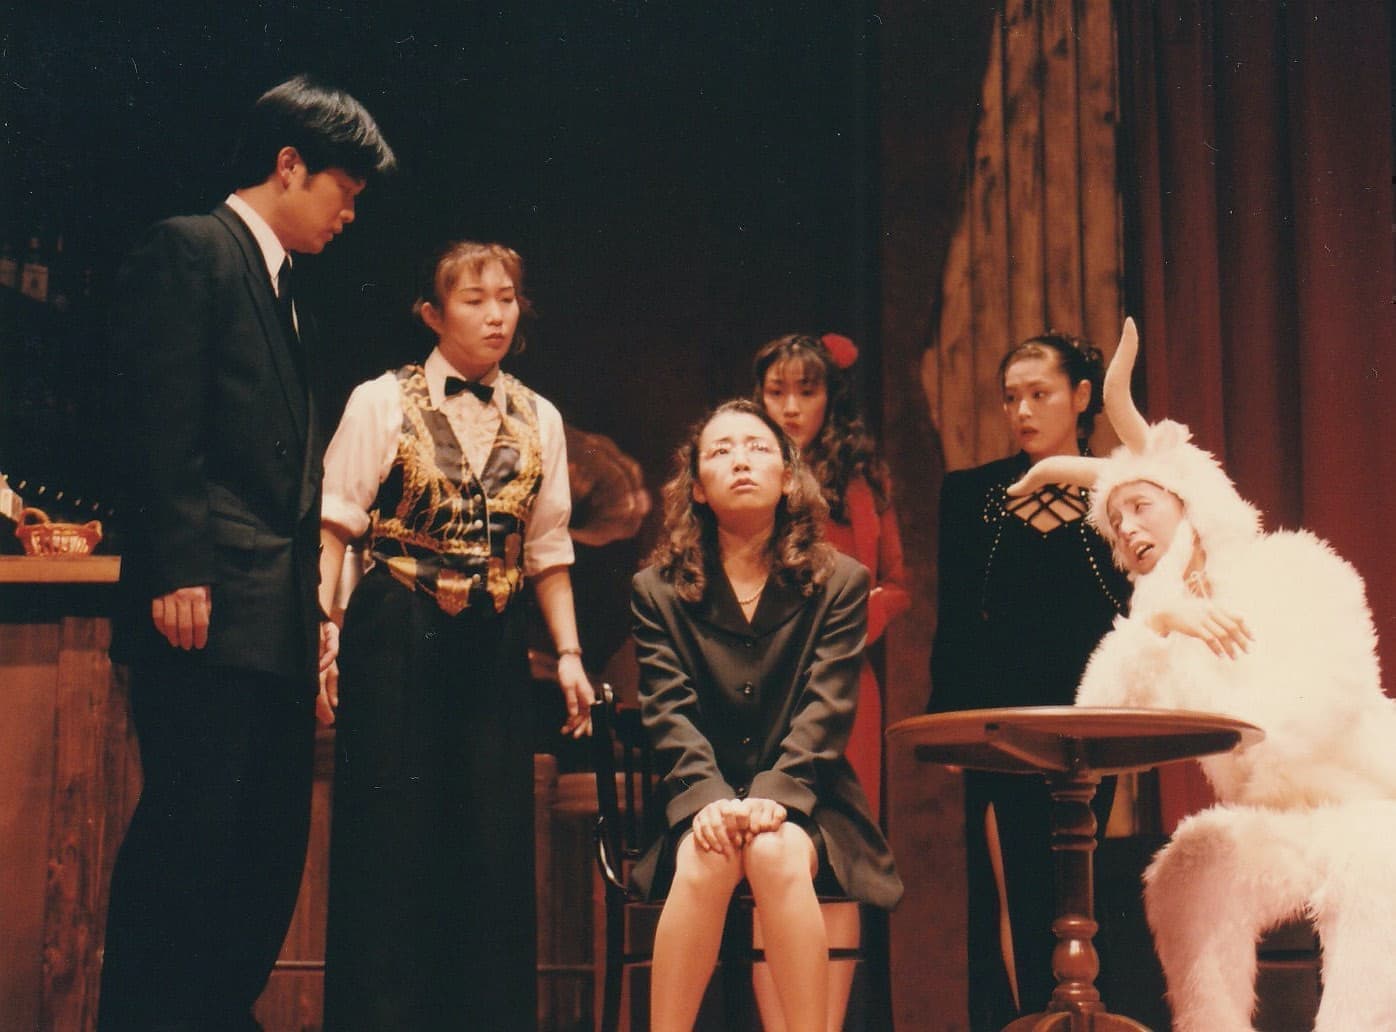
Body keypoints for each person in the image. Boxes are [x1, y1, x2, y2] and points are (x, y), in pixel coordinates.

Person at [100, 76, 394, 1032]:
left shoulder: (281, 286)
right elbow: (159, 425)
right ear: (289, 164)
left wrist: (313, 618)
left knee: (263, 850)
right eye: (344, 189)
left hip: (271, 617)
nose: (350, 212)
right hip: (208, 604)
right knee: (191, 840)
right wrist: (179, 567)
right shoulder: (193, 249)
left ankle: (216, 1013)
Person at [1013, 318, 1396, 1032]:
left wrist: (1247, 731)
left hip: (1371, 803)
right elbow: (1094, 723)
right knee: (1186, 868)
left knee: (1377, 866)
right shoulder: (1169, 628)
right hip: (1277, 826)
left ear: (1190, 502)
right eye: (1117, 520)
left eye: (1142, 506)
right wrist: (1156, 626)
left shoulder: (1293, 563)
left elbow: (1334, 692)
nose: (1129, 529)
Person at [315, 240, 594, 1030]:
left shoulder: (540, 416)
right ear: (433, 315)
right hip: (396, 629)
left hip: (493, 638)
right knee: (390, 836)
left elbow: (548, 552)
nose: (496, 315)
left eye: (506, 298)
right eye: (475, 300)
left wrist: (569, 654)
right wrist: (321, 625)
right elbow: (335, 527)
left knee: (490, 838)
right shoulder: (380, 400)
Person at [630, 399, 903, 1032]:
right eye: (720, 451)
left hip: (812, 797)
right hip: (702, 794)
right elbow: (668, 710)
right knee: (707, 855)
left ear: (787, 477)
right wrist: (707, 800)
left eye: (757, 447)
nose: (741, 460)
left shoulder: (841, 582)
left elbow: (826, 707)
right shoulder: (656, 590)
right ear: (698, 488)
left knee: (776, 853)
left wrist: (776, 794)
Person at [927, 331, 1130, 1028]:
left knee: (1077, 885)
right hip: (1002, 723)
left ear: (1081, 397)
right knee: (1010, 885)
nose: (1021, 410)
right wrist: (948, 720)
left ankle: (1080, 1018)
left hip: (1092, 716)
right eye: (1011, 397)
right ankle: (1022, 1021)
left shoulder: (1120, 488)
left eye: (1039, 394)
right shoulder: (972, 493)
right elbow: (957, 614)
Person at [753, 331, 909, 1027]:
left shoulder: (860, 480)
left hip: (849, 693)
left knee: (842, 861)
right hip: (769, 686)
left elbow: (898, 583)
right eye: (776, 391)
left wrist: (855, 619)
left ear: (830, 397)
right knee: (770, 860)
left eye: (806, 391)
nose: (790, 407)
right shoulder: (751, 469)